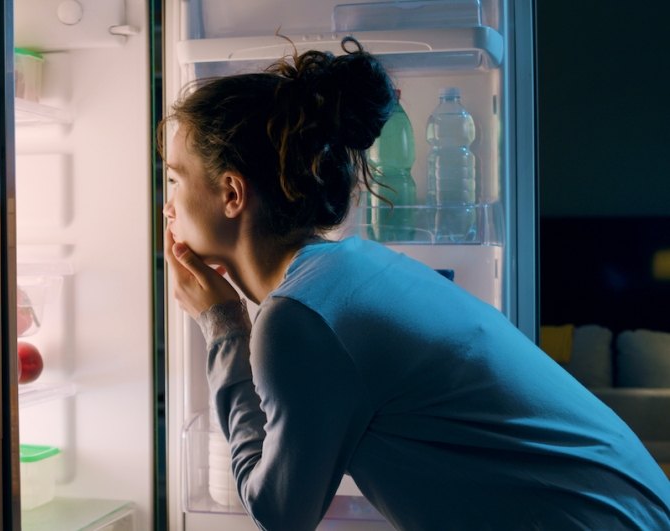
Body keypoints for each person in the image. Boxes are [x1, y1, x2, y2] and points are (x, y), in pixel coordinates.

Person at [160, 37, 670, 531]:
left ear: (231, 193)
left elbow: (280, 514)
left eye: (175, 180)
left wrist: (223, 326)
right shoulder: (355, 265)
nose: (168, 206)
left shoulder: (298, 319)